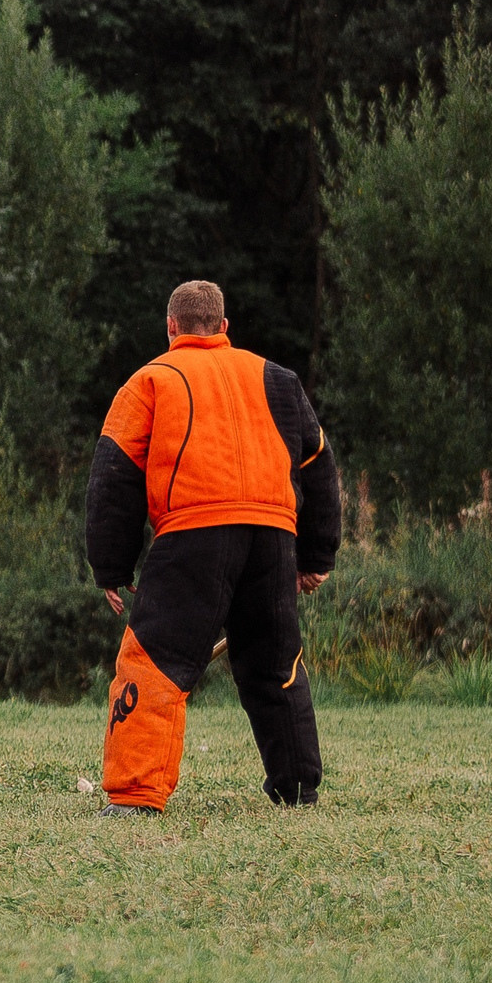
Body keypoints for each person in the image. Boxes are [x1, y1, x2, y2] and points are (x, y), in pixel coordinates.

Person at [86, 279, 340, 815]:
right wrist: (315, 556)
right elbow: (319, 466)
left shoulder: (150, 380)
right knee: (275, 664)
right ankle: (298, 789)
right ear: (225, 328)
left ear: (171, 327)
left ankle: (135, 795)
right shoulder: (279, 378)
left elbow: (115, 475)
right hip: (273, 536)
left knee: (153, 661)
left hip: (193, 534)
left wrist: (111, 564)